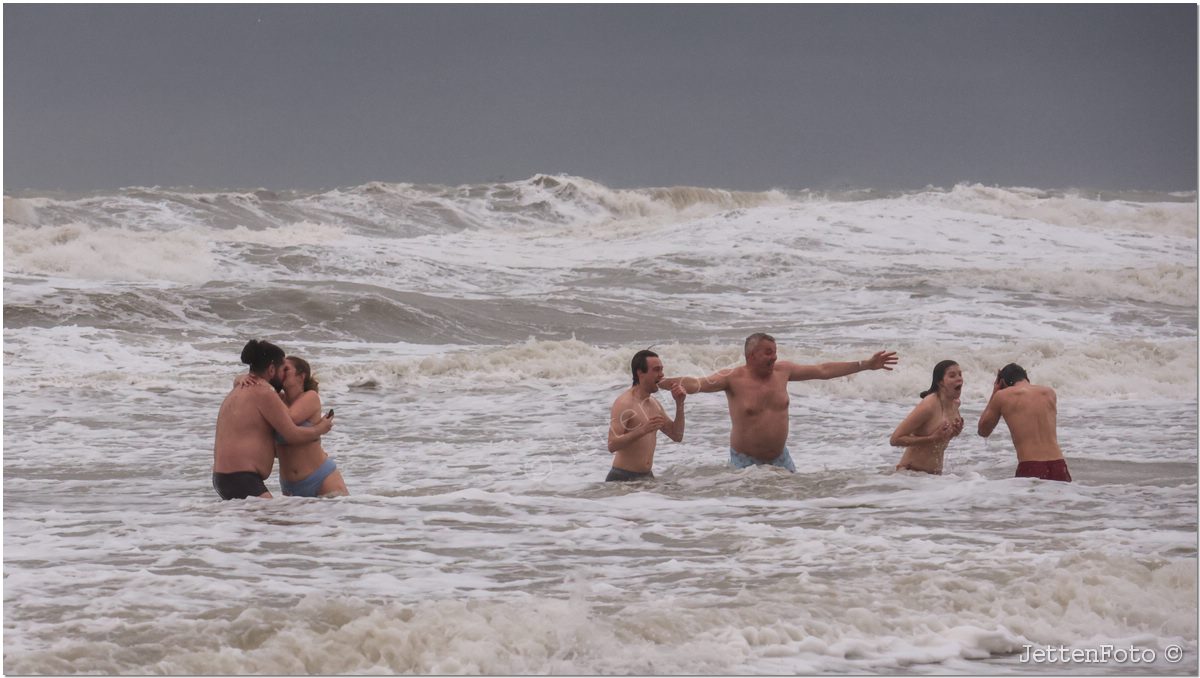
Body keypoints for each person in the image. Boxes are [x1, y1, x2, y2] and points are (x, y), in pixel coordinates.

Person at [661, 333, 897, 472]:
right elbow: (697, 383)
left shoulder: (783, 371)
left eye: (775, 352)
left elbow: (823, 370)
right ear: (751, 356)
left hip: (781, 458)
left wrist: (865, 365)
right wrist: (657, 383)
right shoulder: (732, 378)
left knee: (788, 512)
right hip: (745, 463)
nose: (774, 357)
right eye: (768, 352)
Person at [212, 340, 333, 500]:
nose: (283, 376)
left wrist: (239, 378)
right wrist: (320, 429)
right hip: (241, 477)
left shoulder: (242, 388)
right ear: (271, 369)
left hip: (225, 477)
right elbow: (292, 434)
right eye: (282, 370)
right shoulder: (264, 392)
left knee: (273, 515)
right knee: (276, 516)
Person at [977, 363, 1072, 482]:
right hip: (1059, 466)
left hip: (1031, 467)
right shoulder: (1049, 393)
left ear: (1002, 383)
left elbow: (983, 430)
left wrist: (994, 393)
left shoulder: (1002, 396)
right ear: (1026, 378)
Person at [606, 349, 686, 481]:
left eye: (662, 369)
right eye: (656, 370)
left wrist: (680, 403)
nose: (662, 374)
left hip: (647, 478)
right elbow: (612, 444)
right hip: (623, 479)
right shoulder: (625, 403)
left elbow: (676, 435)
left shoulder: (654, 404)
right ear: (640, 373)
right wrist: (642, 430)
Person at [275, 356, 349, 497]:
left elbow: (289, 419)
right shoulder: (277, 400)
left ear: (301, 376)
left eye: (286, 369)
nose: (281, 372)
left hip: (322, 479)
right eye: (279, 369)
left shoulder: (310, 396)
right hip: (289, 485)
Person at [890, 360, 964, 475]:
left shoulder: (955, 404)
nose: (959, 379)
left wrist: (954, 432)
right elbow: (895, 439)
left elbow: (940, 440)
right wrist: (931, 438)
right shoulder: (929, 405)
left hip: (933, 478)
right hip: (910, 475)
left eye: (960, 374)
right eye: (952, 376)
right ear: (940, 382)